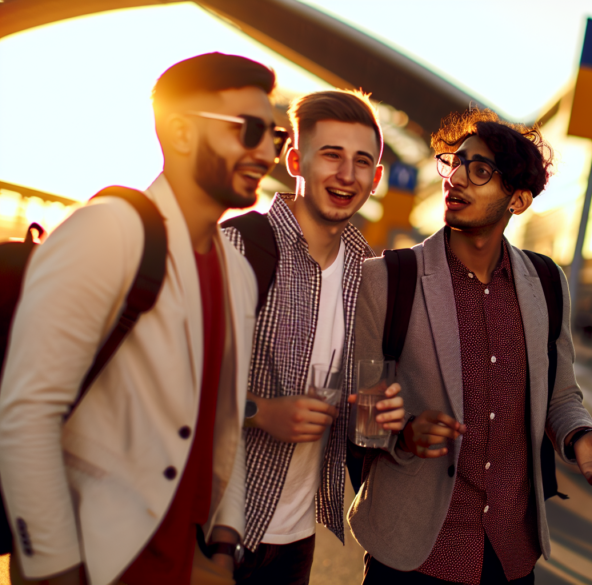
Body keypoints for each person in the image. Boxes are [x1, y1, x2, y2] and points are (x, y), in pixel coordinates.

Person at [0, 52, 279, 585]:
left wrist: (223, 545)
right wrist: (56, 569)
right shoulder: (107, 231)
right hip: (96, 559)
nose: (266, 152)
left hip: (185, 562)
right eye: (249, 130)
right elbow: (27, 413)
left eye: (276, 137)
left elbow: (222, 422)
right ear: (180, 132)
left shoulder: (235, 269)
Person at [349, 109, 592, 585]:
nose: (457, 178)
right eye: (455, 162)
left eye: (480, 170)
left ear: (519, 200)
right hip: (414, 553)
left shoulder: (547, 282)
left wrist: (579, 438)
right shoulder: (388, 279)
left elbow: (561, 397)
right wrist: (403, 431)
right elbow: (361, 409)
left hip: (509, 555)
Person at [222, 89, 405, 585]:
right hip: (214, 527)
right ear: (296, 159)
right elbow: (171, 382)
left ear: (377, 178)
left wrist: (387, 416)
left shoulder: (369, 279)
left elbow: (360, 413)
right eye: (332, 155)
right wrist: (262, 413)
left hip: (297, 540)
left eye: (362, 161)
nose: (347, 175)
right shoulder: (237, 247)